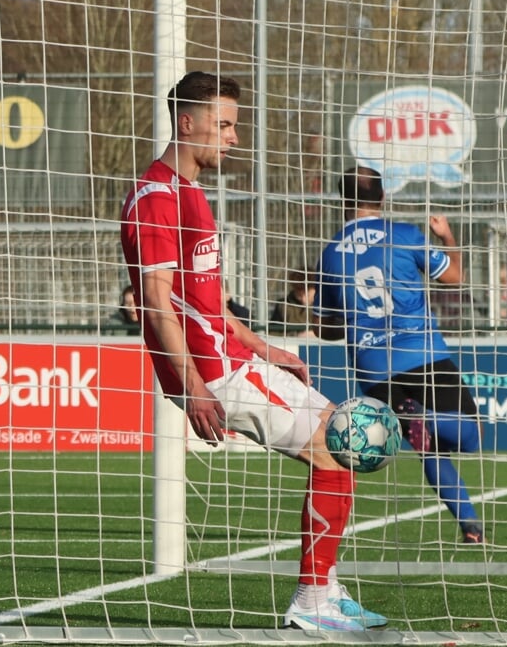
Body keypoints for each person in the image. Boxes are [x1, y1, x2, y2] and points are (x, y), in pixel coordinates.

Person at [119, 71, 382, 632]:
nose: (234, 137)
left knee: (342, 441)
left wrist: (265, 347)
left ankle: (326, 590)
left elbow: (208, 302)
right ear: (187, 123)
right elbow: (158, 304)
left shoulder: (190, 193)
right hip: (212, 374)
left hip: (232, 359)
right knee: (336, 445)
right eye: (225, 125)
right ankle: (313, 601)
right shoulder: (157, 196)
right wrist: (194, 389)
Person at [313, 165, 485, 545]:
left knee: (429, 447)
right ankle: (424, 415)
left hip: (373, 370)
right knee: (471, 436)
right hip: (421, 352)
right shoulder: (404, 235)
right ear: (383, 197)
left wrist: (350, 316)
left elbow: (324, 330)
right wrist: (447, 235)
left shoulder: (330, 255)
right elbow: (455, 276)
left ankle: (470, 525)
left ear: (343, 201)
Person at [267, 266, 317, 338]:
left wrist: (317, 334)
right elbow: (272, 333)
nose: (303, 299)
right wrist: (295, 336)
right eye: (299, 295)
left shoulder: (326, 306)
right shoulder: (283, 305)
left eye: (307, 295)